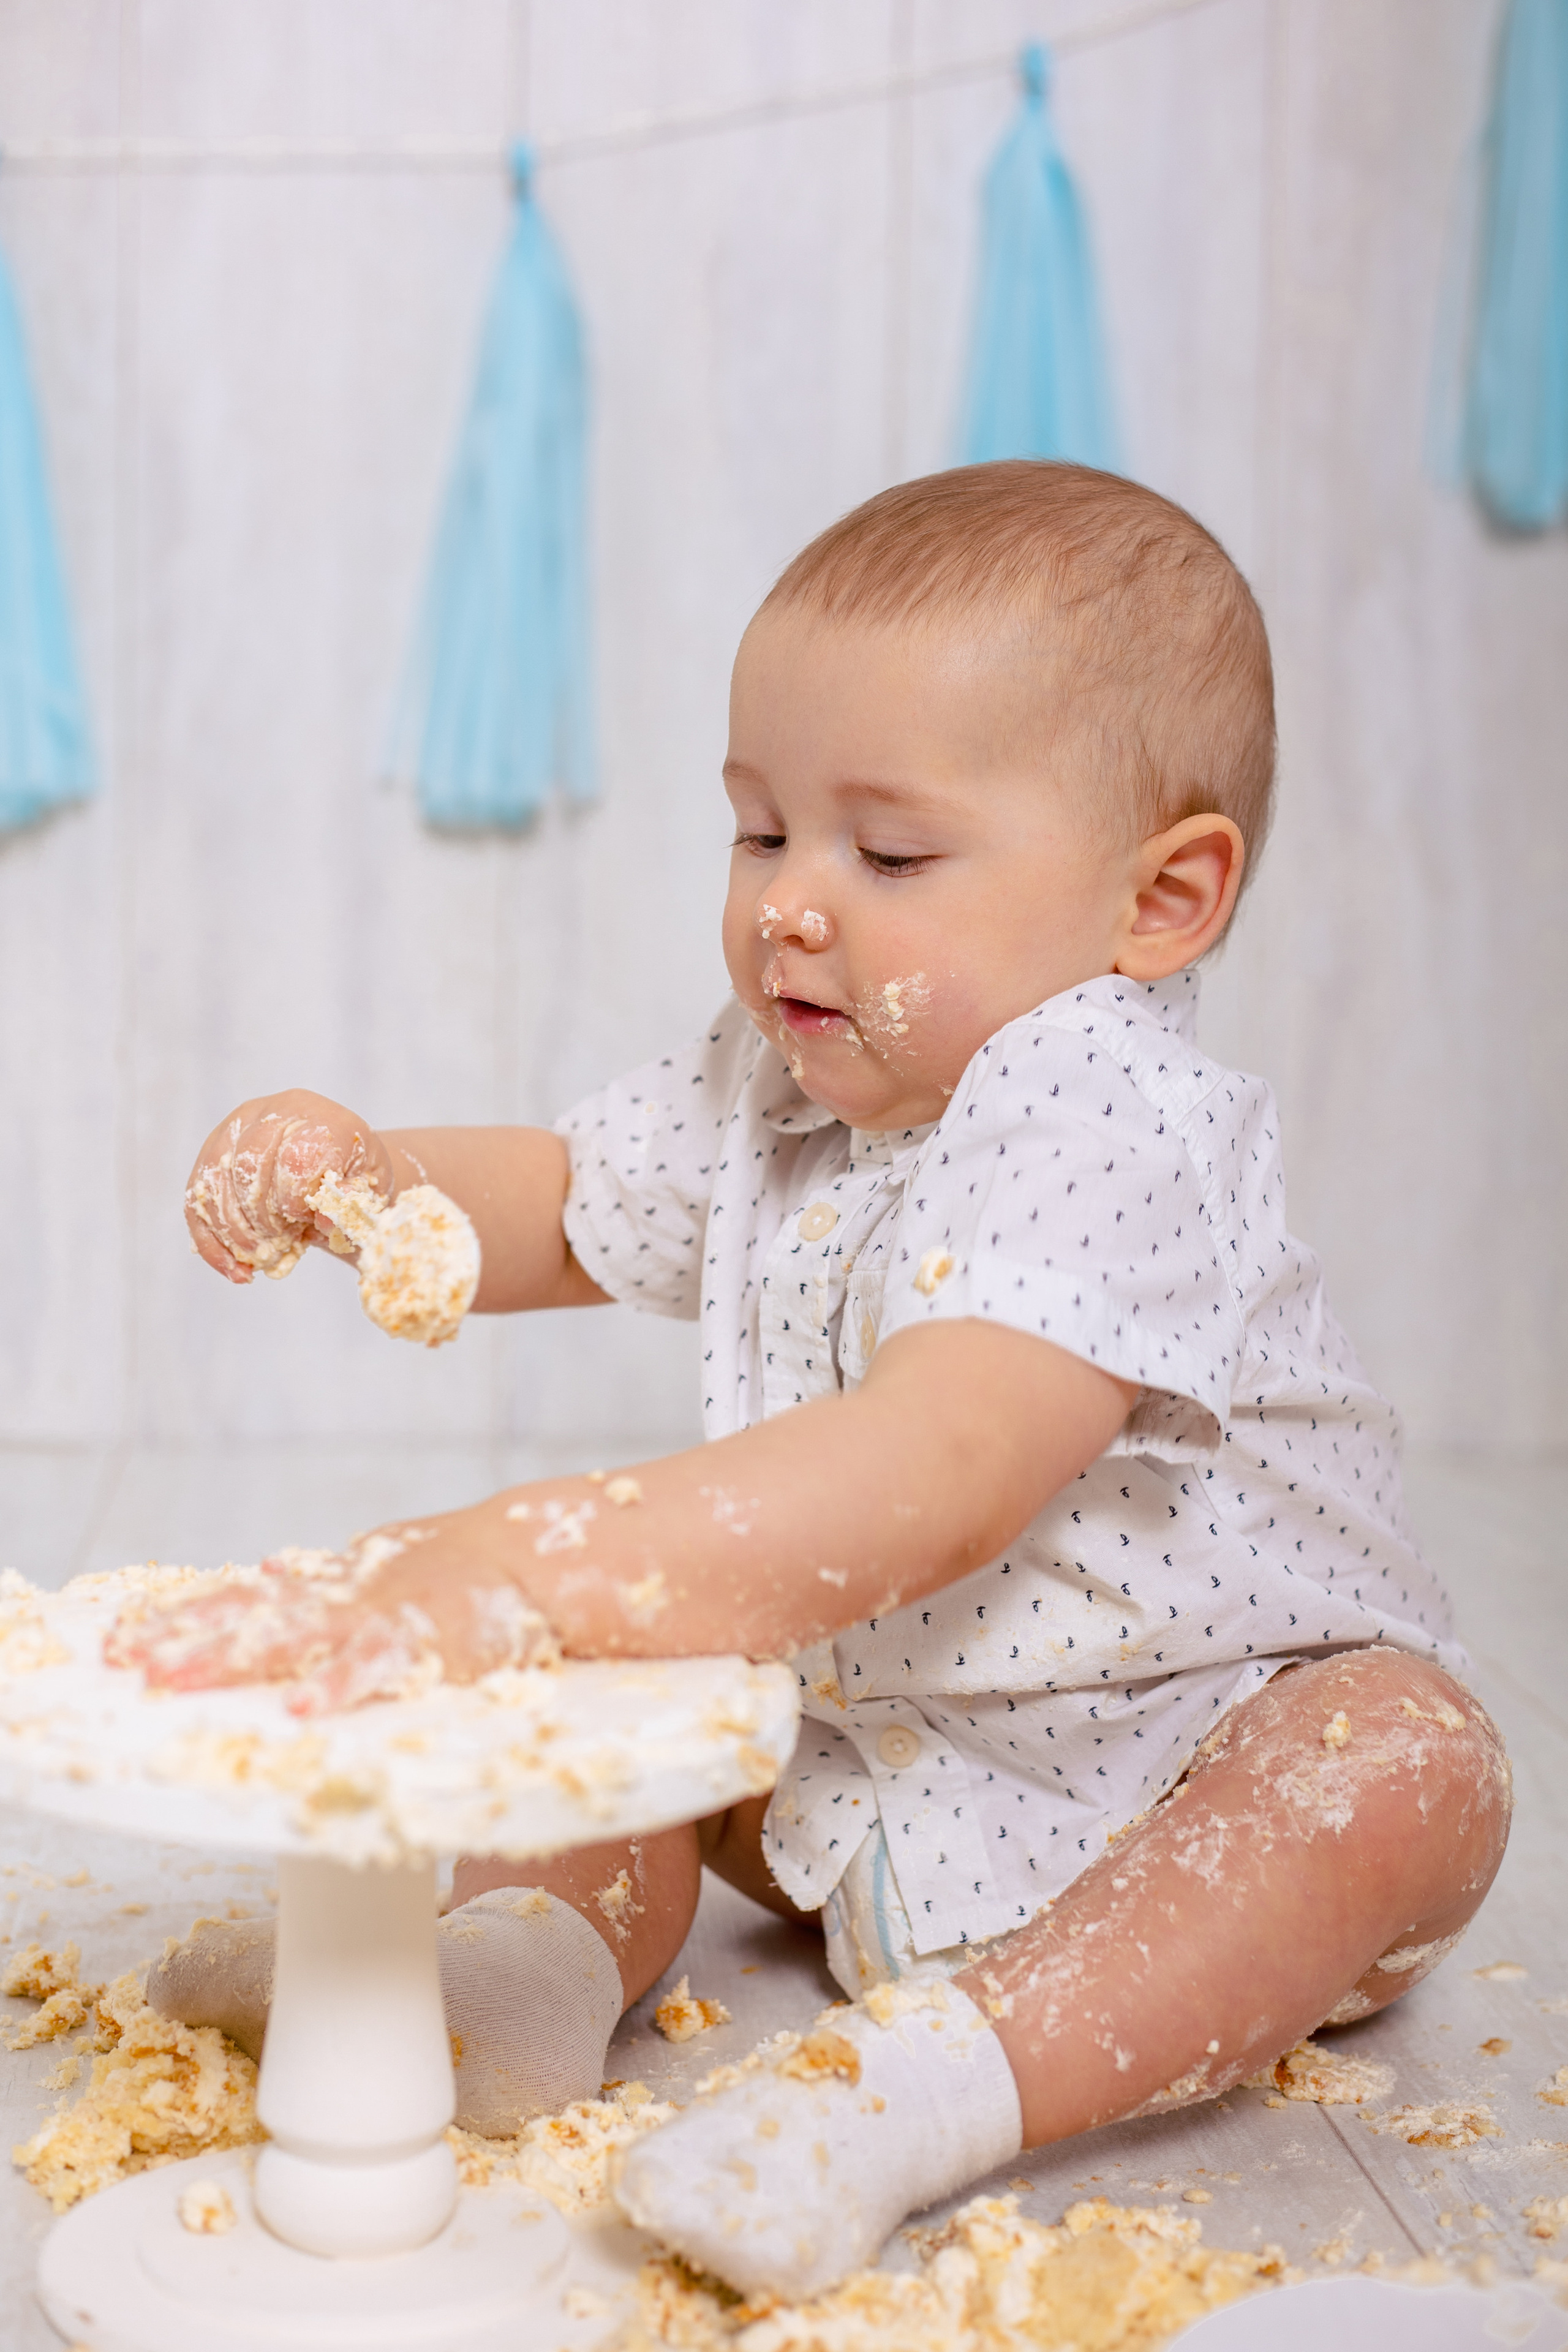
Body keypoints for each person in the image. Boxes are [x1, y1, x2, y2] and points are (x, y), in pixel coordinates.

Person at [127, 462, 1509, 2298]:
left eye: (891, 854)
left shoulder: (1111, 1113)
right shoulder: (787, 1078)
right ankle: (506, 1974)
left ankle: (927, 2087)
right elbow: (560, 1203)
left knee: (1406, 1770)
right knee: (638, 1655)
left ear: (1157, 901)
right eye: (759, 833)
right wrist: (364, 1177)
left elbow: (946, 1465)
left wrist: (534, 1562)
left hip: (1182, 1752)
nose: (791, 905)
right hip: (871, 1764)